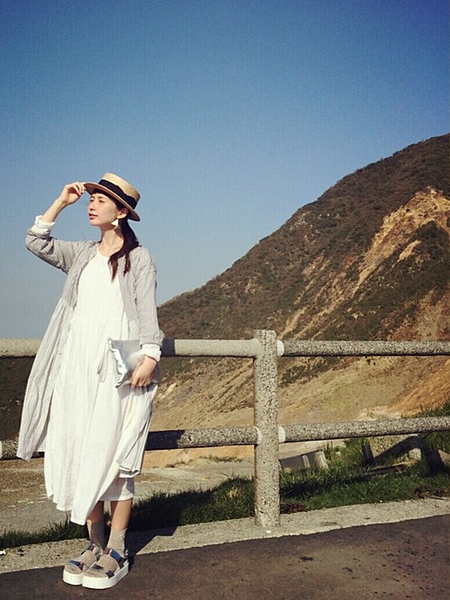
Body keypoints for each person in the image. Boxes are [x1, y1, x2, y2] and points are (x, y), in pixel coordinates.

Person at [17, 173, 162, 590]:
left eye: (101, 200)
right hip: (76, 369)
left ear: (121, 212)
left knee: (114, 455)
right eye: (91, 198)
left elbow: (147, 313)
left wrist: (151, 355)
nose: (91, 205)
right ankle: (94, 543)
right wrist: (60, 203)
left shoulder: (139, 259)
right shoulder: (81, 253)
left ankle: (117, 548)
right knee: (83, 451)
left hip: (117, 369)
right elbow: (36, 242)